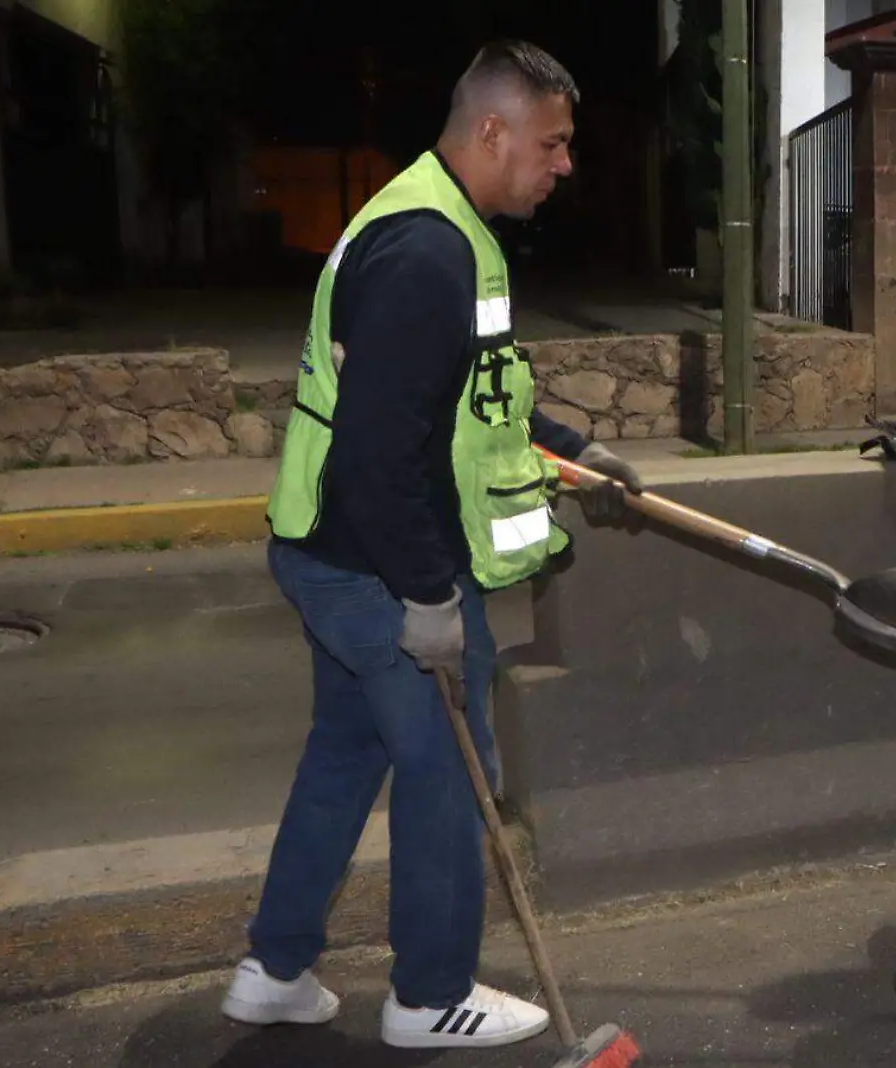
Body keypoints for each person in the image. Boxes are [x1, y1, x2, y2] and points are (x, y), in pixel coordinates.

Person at [219, 40, 643, 1051]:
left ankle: (273, 971)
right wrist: (428, 600)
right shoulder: (425, 252)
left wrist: (580, 455)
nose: (564, 163)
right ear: (490, 130)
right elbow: (378, 453)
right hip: (375, 565)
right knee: (454, 768)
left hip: (329, 549)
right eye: (552, 142)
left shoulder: (443, 225)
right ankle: (429, 994)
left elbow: (467, 399)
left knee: (346, 752)